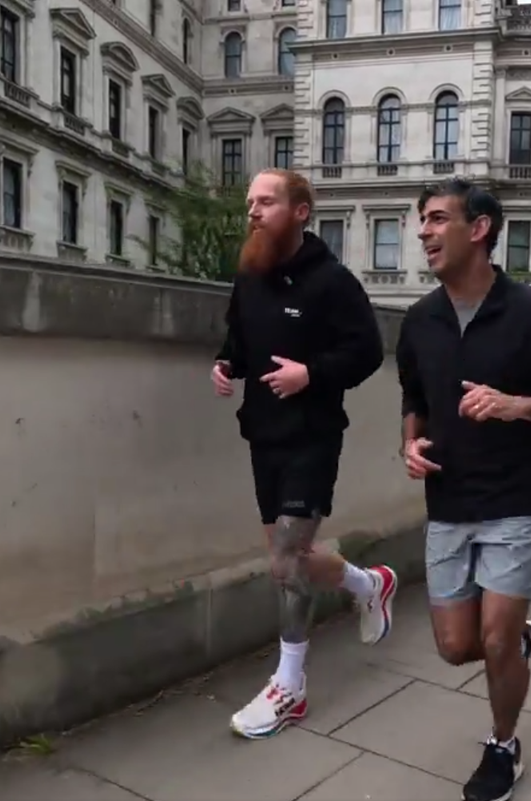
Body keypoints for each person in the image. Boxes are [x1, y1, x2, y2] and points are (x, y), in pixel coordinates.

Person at [396, 178, 531, 801]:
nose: (424, 232)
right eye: (422, 222)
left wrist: (517, 405)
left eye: (437, 219)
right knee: (457, 646)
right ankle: (516, 641)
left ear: (480, 228)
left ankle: (503, 746)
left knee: (490, 641)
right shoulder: (419, 321)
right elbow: (414, 397)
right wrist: (409, 443)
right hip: (448, 506)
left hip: (515, 503)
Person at [212, 168, 398, 739]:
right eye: (250, 202)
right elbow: (240, 339)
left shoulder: (333, 282)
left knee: (288, 559)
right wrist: (226, 364)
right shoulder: (251, 275)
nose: (253, 211)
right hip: (262, 434)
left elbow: (368, 350)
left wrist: (311, 374)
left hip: (313, 434)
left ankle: (290, 686)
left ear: (300, 212)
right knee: (287, 555)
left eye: (265, 201)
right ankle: (371, 586)